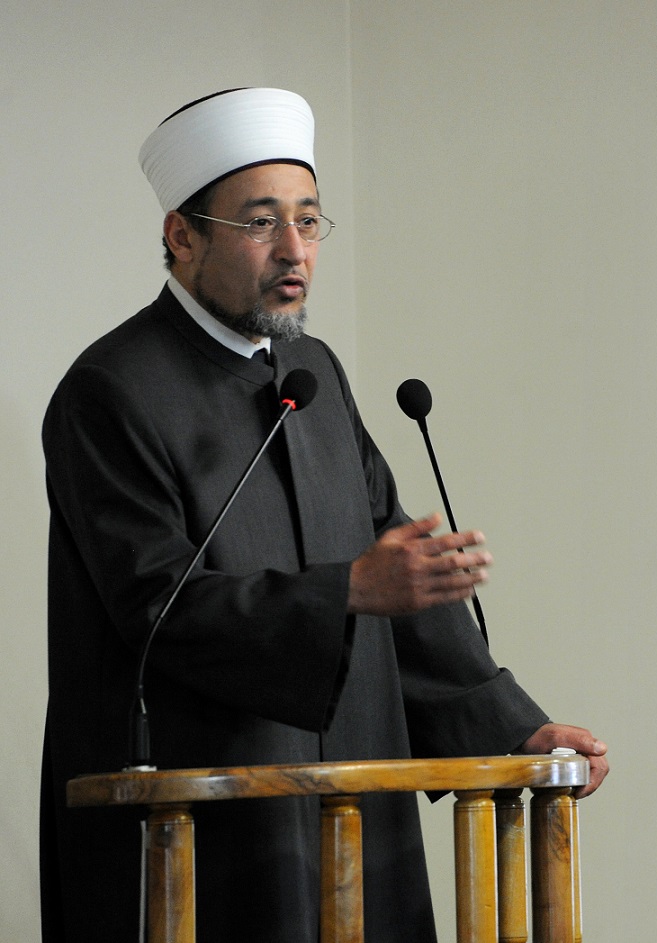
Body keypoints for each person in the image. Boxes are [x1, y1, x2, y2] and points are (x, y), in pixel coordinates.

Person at [39, 87, 607, 943]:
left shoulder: (314, 374)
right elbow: (158, 610)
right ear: (181, 236)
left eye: (309, 220)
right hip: (203, 835)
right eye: (261, 223)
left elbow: (398, 583)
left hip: (351, 820)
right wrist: (347, 588)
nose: (294, 249)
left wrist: (514, 724)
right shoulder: (111, 392)